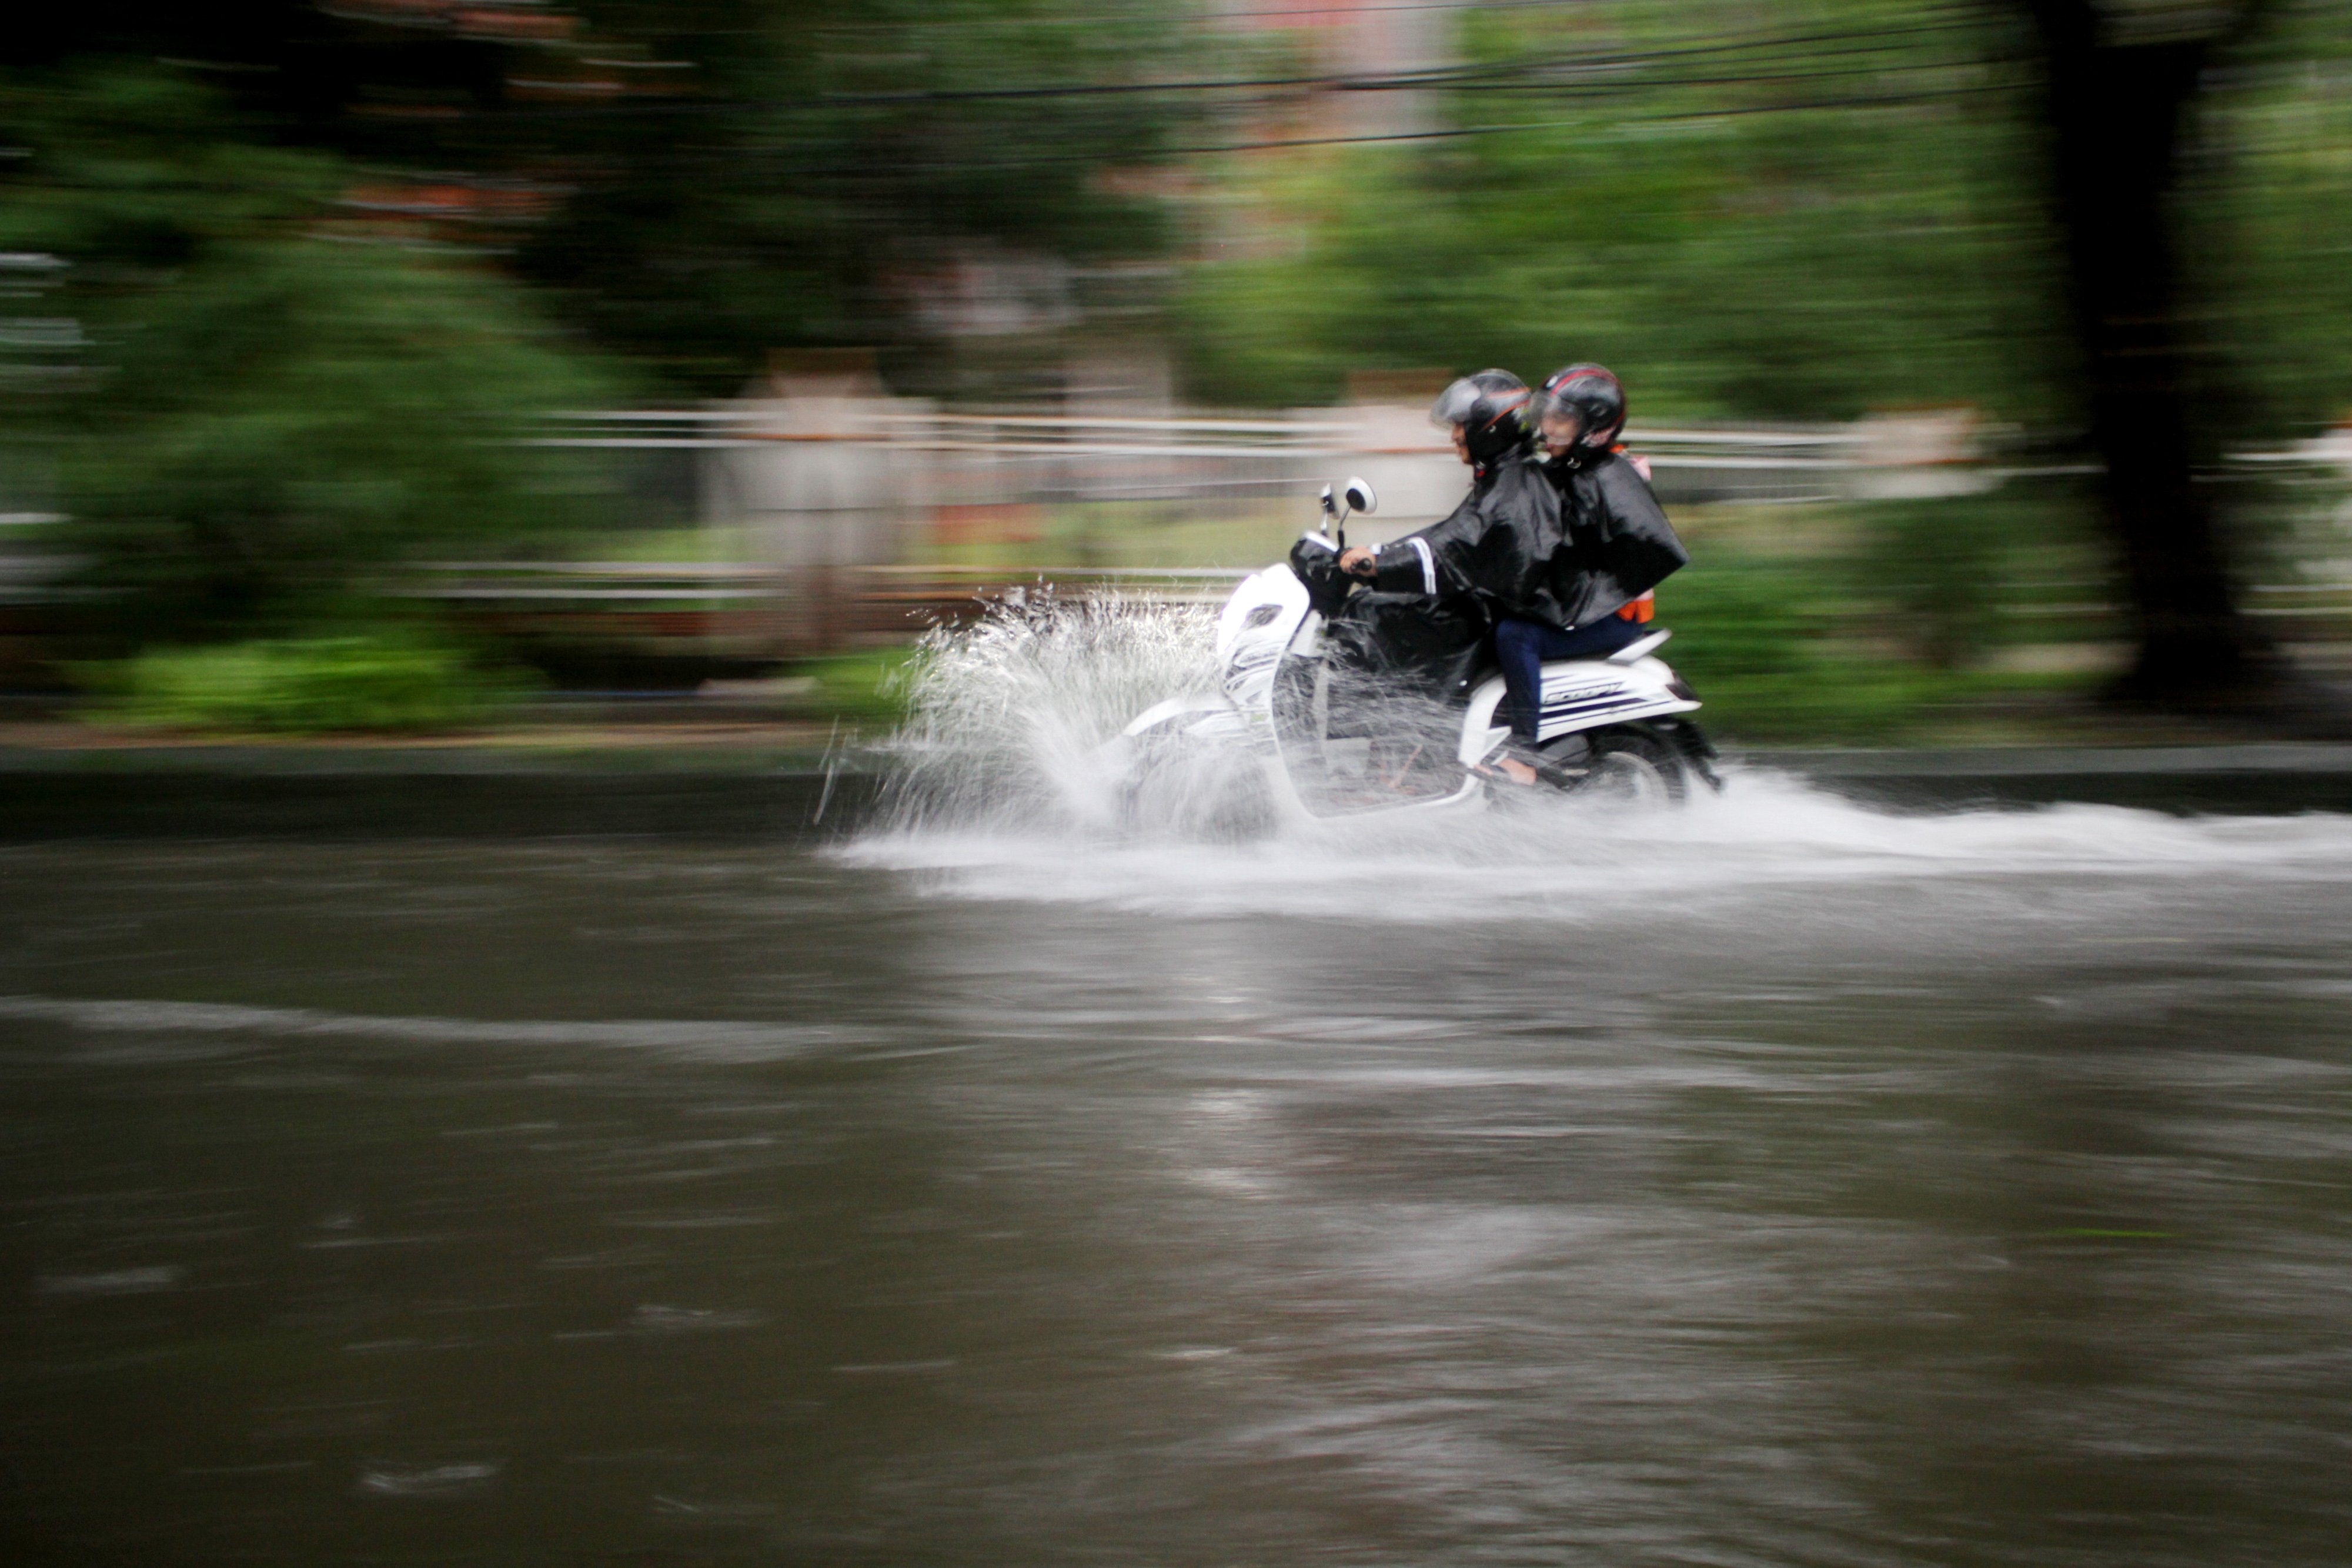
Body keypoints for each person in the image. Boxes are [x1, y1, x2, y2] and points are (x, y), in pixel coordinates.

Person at [1474, 363, 1689, 783]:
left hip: (1610, 619)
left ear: (1595, 428)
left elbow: (1568, 548)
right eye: (1548, 415)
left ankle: (1524, 754)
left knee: (1514, 635)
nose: (1548, 426)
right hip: (1586, 607)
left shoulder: (1607, 478)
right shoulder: (1578, 467)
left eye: (1561, 419)